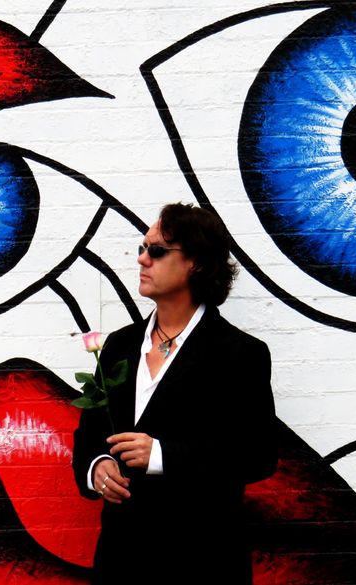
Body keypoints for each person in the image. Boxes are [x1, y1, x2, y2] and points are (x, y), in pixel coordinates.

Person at [73, 203, 278, 585]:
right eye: (143, 248)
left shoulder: (239, 353)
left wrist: (162, 455)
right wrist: (97, 466)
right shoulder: (118, 346)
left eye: (157, 250)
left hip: (202, 559)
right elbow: (89, 434)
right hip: (121, 559)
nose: (142, 259)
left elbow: (257, 455)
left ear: (195, 263)